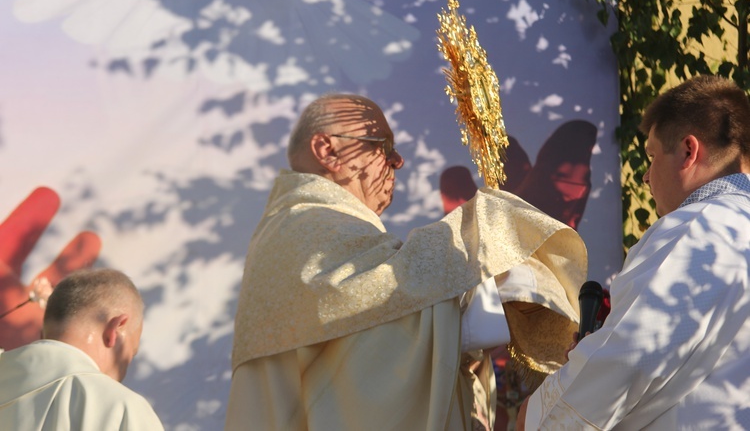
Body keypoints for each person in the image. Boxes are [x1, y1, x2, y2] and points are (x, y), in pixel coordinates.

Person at [225, 93, 587, 430]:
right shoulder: (305, 227)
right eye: (384, 147)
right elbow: (388, 326)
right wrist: (492, 235)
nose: (398, 161)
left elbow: (374, 322)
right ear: (327, 150)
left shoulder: (296, 227)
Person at [517, 74, 750, 430]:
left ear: (688, 151)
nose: (646, 176)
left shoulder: (697, 228)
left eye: (653, 156)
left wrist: (539, 416)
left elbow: (633, 354)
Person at [0, 268, 165, 430]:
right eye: (130, 354)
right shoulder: (123, 410)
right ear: (115, 329)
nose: (124, 375)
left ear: (43, 335)